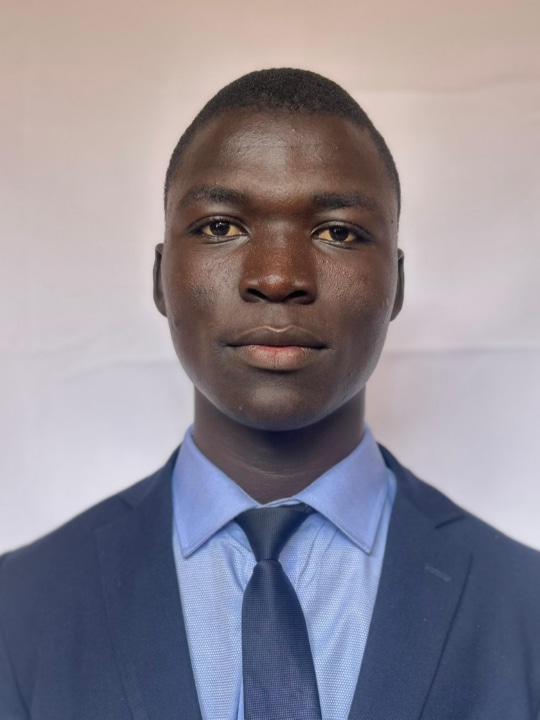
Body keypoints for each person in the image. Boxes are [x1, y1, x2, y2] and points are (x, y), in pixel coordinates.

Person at [0, 68, 539, 720]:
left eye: (337, 232)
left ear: (396, 286)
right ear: (161, 277)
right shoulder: (18, 609)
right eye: (220, 227)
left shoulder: (524, 607)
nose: (278, 277)